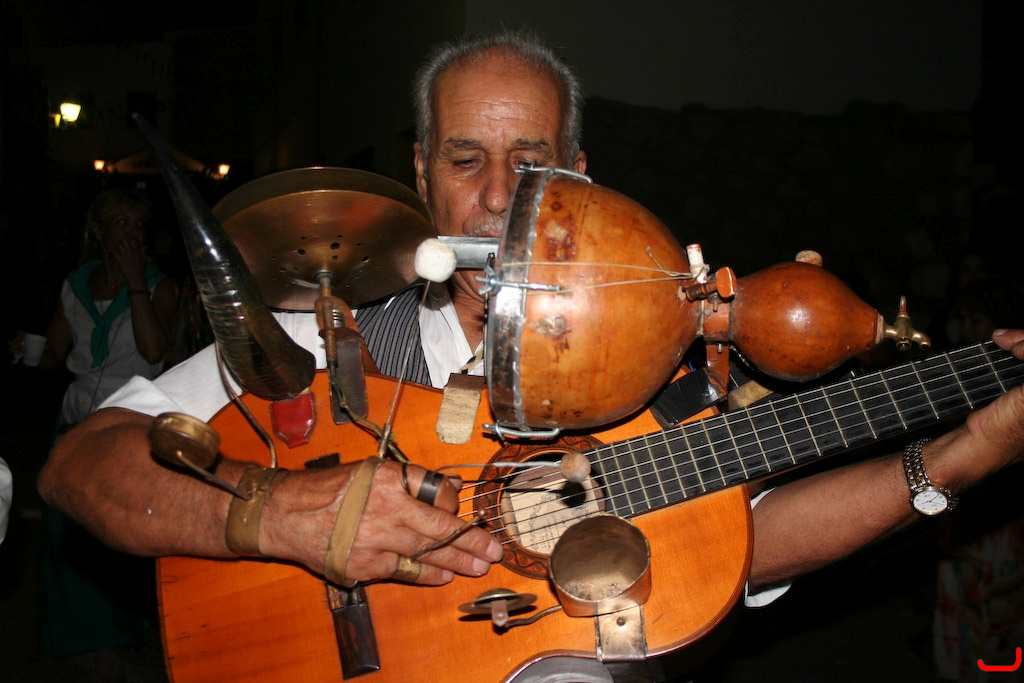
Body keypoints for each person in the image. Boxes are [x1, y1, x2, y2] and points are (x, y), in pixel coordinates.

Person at [36, 29, 1024, 675]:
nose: (498, 197)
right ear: (421, 171)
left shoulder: (657, 364)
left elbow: (746, 539)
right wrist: (276, 511)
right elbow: (79, 465)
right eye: (464, 159)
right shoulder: (322, 337)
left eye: (532, 163)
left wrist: (958, 457)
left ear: (577, 180)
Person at [16, 187, 178, 672]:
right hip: (75, 423)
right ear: (98, 231)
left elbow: (154, 352)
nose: (132, 233)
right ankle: (77, 641)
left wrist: (136, 283)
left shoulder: (160, 287)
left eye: (139, 224)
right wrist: (25, 350)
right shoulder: (76, 285)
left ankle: (120, 642)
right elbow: (54, 355)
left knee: (114, 541)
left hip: (127, 428)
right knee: (66, 540)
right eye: (121, 222)